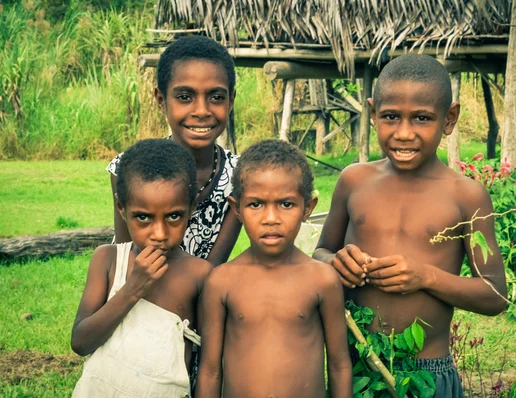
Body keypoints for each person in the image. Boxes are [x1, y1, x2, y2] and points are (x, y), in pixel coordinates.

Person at [313, 54, 507, 397]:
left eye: (421, 118)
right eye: (390, 117)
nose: (404, 133)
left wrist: (425, 277)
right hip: (358, 366)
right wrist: (334, 262)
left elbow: (495, 295)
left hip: (428, 375)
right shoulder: (353, 181)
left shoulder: (466, 196)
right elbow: (319, 253)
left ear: (449, 119)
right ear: (373, 114)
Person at [197, 140, 352, 398]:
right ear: (236, 209)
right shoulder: (221, 281)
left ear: (308, 208)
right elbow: (210, 371)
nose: (271, 218)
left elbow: (339, 365)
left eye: (286, 204)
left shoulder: (322, 279)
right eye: (256, 204)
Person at [72, 139, 212, 397]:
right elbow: (81, 342)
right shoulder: (108, 260)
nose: (159, 234)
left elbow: (209, 364)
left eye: (173, 216)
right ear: (121, 208)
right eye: (143, 217)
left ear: (192, 208)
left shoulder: (200, 276)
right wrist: (132, 289)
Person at [107, 35, 240, 266]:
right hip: (135, 288)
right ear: (161, 100)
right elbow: (123, 258)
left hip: (202, 292)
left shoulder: (240, 177)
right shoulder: (128, 168)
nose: (201, 110)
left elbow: (212, 270)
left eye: (216, 97)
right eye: (185, 97)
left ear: (230, 101)